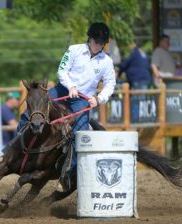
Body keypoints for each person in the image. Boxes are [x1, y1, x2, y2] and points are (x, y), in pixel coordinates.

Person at [16, 22, 116, 191]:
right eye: (96, 41)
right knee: (33, 111)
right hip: (62, 90)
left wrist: (99, 99)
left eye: (101, 43)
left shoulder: (106, 62)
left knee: (80, 136)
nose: (98, 45)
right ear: (89, 38)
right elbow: (62, 71)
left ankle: (67, 174)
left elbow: (110, 84)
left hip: (82, 100)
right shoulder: (74, 50)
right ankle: (15, 148)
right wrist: (70, 86)